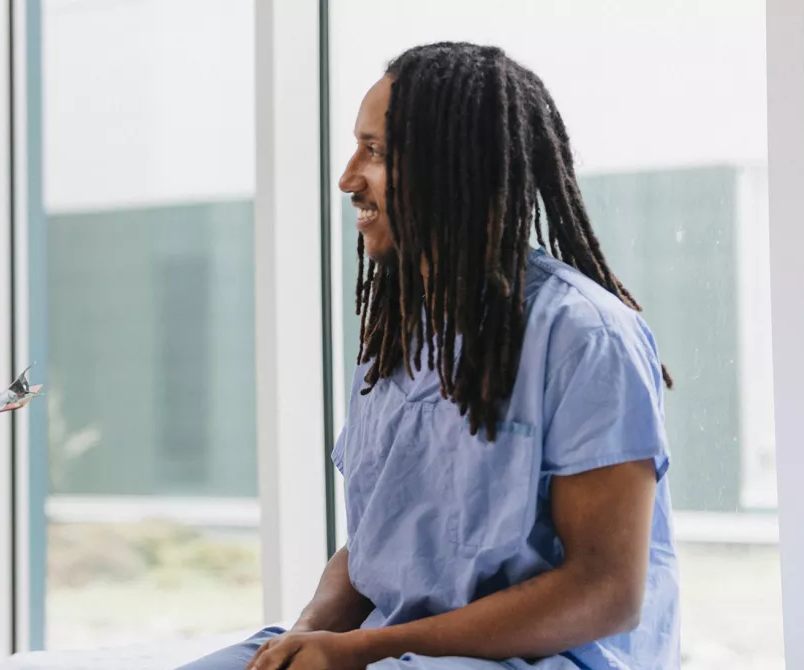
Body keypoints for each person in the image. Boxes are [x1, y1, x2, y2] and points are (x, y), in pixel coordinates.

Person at [181, 42, 679, 670]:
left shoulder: (586, 335)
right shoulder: (398, 335)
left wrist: (364, 649)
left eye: (375, 151)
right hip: (396, 647)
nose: (348, 178)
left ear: (454, 168)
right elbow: (375, 547)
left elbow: (606, 592)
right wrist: (300, 641)